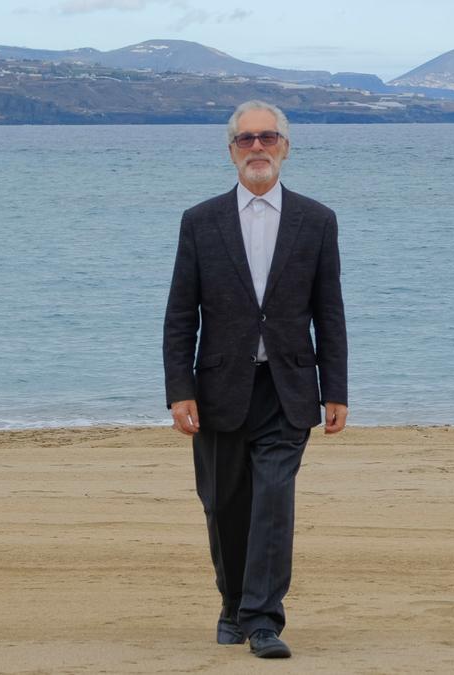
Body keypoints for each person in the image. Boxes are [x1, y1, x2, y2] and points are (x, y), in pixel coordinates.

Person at [163, 100, 348, 659]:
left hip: (289, 388)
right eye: (247, 140)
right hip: (219, 389)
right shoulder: (200, 221)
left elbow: (329, 311)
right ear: (231, 152)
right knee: (224, 504)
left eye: (268, 138)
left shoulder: (317, 220)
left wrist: (335, 389)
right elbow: (180, 314)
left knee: (273, 501)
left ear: (286, 147)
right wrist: (179, 390)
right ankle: (233, 605)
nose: (258, 148)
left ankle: (264, 620)